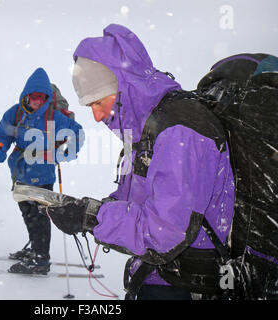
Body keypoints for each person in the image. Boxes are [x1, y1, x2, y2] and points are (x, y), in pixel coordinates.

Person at [43, 24, 235, 299]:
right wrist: (84, 210)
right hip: (160, 277)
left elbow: (164, 233)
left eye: (98, 102)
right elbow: (135, 204)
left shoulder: (179, 131)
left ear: (121, 87)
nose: (96, 116)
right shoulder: (147, 132)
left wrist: (92, 218)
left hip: (188, 285)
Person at [0, 67, 84, 275]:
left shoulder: (54, 116)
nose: (38, 101)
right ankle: (35, 248)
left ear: (48, 98)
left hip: (42, 174)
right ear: (27, 95)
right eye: (35, 97)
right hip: (20, 171)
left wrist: (65, 154)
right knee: (27, 212)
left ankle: (40, 260)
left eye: (42, 97)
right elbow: (2, 134)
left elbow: (77, 132)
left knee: (39, 215)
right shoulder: (15, 113)